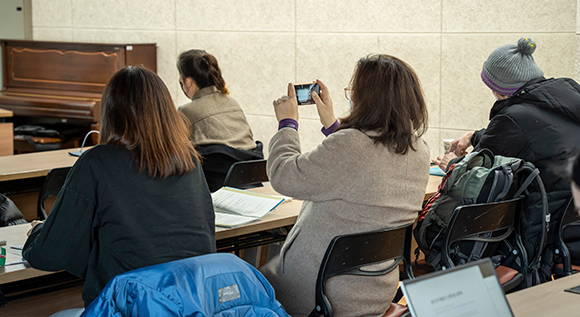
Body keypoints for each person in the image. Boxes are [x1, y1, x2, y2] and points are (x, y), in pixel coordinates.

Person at [23, 66, 216, 312]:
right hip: (190, 305)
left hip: (125, 307)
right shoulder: (189, 161)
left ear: (111, 112)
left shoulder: (97, 162)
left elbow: (50, 255)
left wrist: (37, 234)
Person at [260, 54, 430, 317]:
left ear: (367, 98)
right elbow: (362, 163)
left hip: (320, 294)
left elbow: (283, 175)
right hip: (376, 289)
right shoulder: (419, 150)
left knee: (243, 278)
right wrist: (331, 122)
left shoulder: (351, 145)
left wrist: (287, 124)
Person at [432, 37, 580, 277]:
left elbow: (476, 178)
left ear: (500, 88)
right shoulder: (567, 94)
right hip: (573, 225)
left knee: (447, 235)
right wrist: (475, 135)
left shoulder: (513, 118)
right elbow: (536, 136)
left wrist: (451, 164)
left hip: (545, 238)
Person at [177, 49, 263, 191]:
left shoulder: (186, 111)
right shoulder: (232, 102)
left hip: (216, 187)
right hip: (252, 183)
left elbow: (173, 152)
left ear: (188, 82)